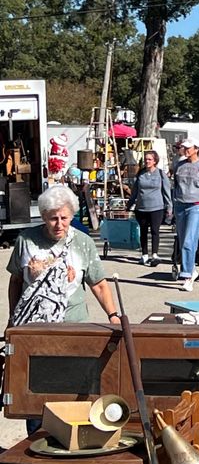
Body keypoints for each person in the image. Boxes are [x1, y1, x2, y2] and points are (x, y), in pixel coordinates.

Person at [6, 185, 122, 434]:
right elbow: (16, 281)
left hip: (73, 326)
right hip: (34, 329)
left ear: (72, 216)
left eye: (64, 218)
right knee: (36, 391)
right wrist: (12, 319)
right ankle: (37, 441)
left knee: (72, 389)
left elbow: (99, 285)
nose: (59, 224)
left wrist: (113, 315)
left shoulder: (83, 242)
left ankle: (70, 442)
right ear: (44, 216)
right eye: (53, 218)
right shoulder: (26, 240)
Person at [173, 138, 199, 291]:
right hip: (180, 205)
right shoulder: (179, 165)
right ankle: (192, 270)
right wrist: (172, 206)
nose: (186, 150)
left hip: (196, 206)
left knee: (189, 241)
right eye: (184, 147)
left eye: (189, 148)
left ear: (196, 149)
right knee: (184, 239)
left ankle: (187, 276)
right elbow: (175, 187)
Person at [127, 150, 172, 266]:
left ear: (155, 161)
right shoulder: (140, 174)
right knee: (143, 231)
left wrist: (169, 206)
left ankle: (155, 254)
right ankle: (144, 254)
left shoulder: (161, 174)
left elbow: (167, 192)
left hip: (157, 207)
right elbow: (134, 192)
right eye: (146, 159)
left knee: (155, 230)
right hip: (141, 208)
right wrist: (129, 204)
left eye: (150, 159)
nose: (147, 161)